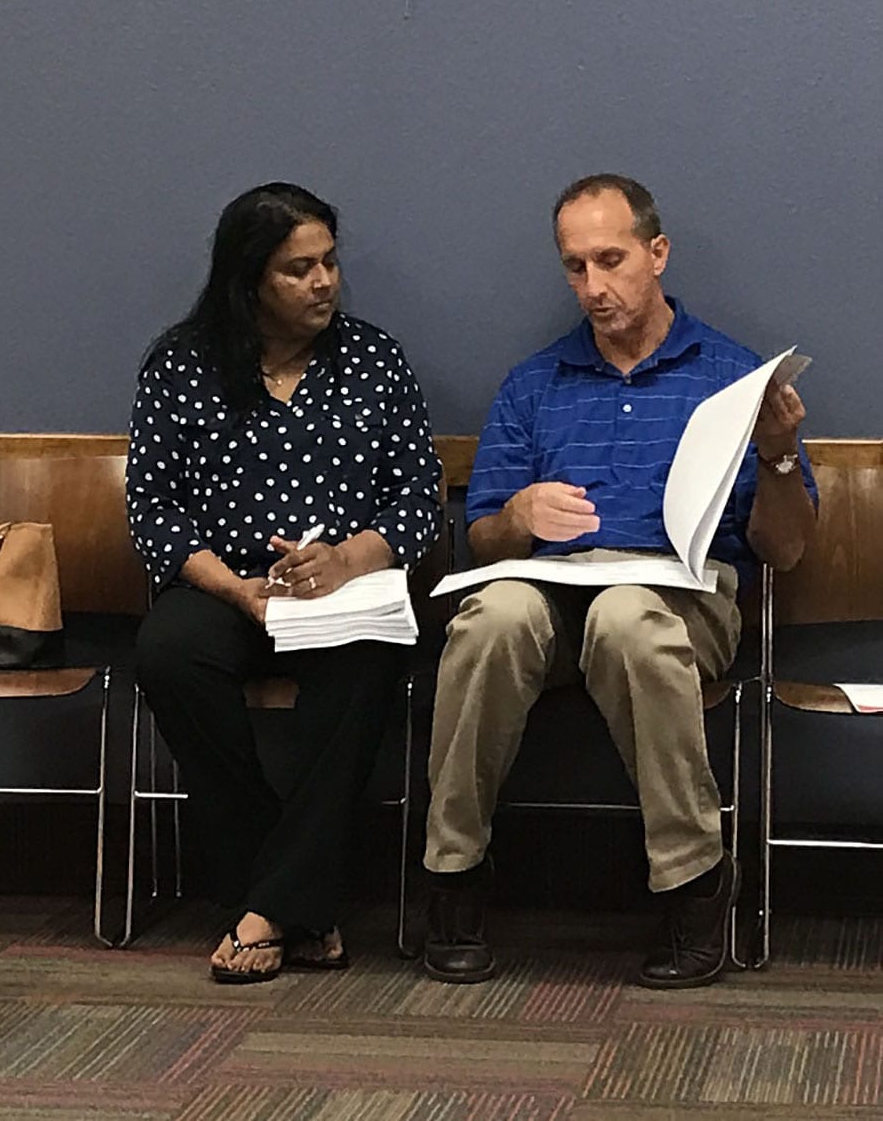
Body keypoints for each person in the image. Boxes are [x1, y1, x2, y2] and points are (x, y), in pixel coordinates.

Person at [423, 173, 817, 989]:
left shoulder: (732, 374)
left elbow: (783, 552)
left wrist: (778, 454)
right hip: (552, 588)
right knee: (490, 618)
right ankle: (454, 870)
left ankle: (693, 879)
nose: (594, 286)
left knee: (628, 620)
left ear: (657, 253)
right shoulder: (535, 382)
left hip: (679, 596)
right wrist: (518, 512)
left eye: (611, 260)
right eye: (575, 267)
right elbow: (484, 538)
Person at [128, 182, 442, 984]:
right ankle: (294, 898)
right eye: (298, 269)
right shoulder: (182, 364)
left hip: (346, 591)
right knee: (168, 653)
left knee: (368, 665)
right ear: (249, 280)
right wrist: (238, 590)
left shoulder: (374, 360)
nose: (324, 282)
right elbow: (153, 507)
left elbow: (419, 498)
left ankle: (264, 908)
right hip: (225, 587)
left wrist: (347, 559)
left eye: (329, 262)